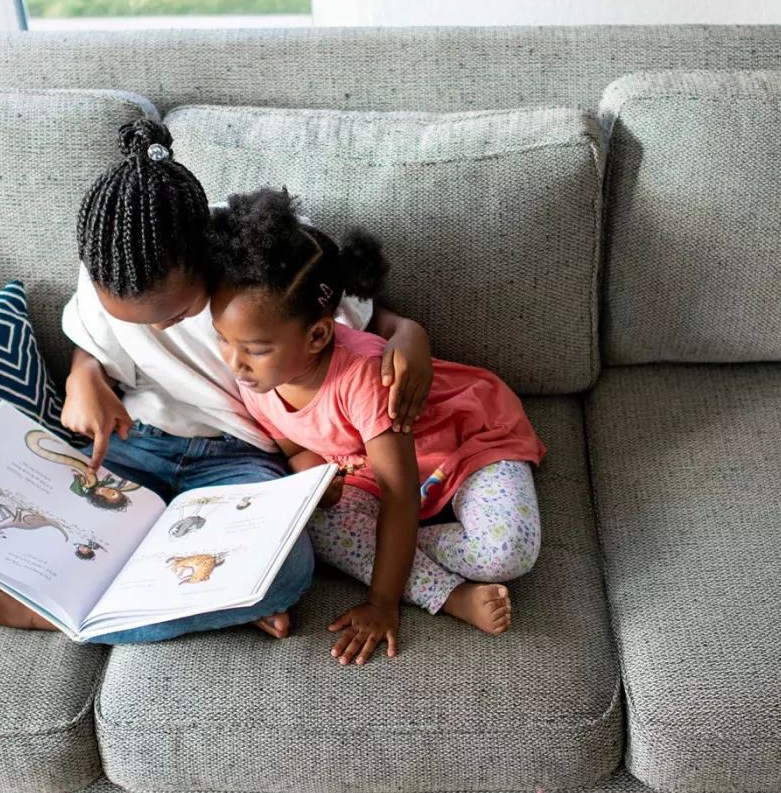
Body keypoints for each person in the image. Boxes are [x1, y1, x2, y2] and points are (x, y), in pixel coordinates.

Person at [0, 121, 434, 642]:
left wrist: (412, 335)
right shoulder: (112, 262)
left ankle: (32, 610)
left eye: (176, 314)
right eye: (133, 319)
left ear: (207, 259)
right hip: (134, 445)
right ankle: (208, 597)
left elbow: (355, 328)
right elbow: (91, 346)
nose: (156, 328)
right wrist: (83, 378)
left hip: (242, 459)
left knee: (288, 575)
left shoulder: (266, 263)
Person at [208, 187, 545, 666]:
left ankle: (399, 552)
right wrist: (316, 483)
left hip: (463, 440)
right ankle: (449, 595)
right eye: (222, 340)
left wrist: (382, 603)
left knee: (506, 553)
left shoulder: (362, 374)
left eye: (254, 349)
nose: (234, 363)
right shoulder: (256, 378)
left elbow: (400, 490)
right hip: (369, 469)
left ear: (318, 335)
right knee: (318, 530)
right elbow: (293, 446)